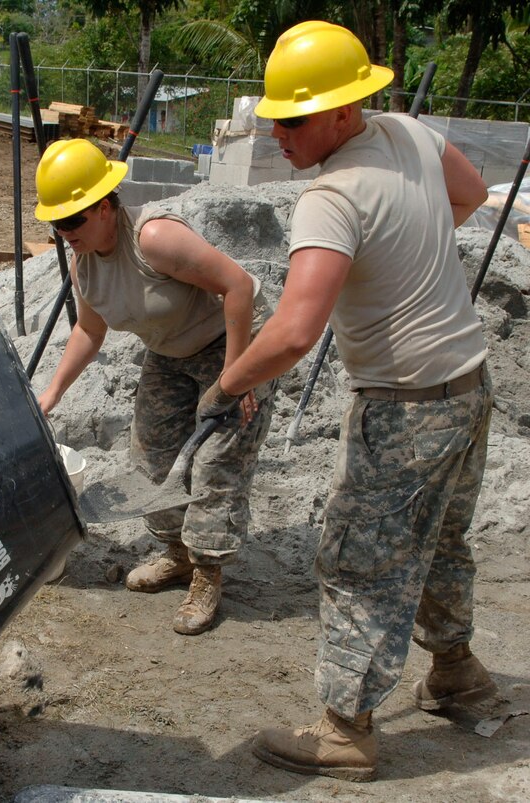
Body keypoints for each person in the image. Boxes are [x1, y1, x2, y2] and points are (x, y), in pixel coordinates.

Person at [197, 20, 497, 781]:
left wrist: (228, 381)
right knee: (441, 538)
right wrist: (402, 254)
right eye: (273, 115)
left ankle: (344, 729)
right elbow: (467, 196)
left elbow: (296, 331)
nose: (277, 131)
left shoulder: (331, 196)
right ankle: (456, 672)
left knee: (358, 564)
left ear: (341, 112)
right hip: (468, 384)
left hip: (401, 408)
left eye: (293, 118)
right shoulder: (409, 134)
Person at [33, 137, 275, 635]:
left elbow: (240, 287)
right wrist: (52, 392)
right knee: (153, 458)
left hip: (229, 345)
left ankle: (208, 573)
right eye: (55, 223)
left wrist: (236, 377)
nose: (63, 232)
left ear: (104, 206)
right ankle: (178, 554)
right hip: (168, 355)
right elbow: (89, 330)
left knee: (216, 465)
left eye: (73, 220)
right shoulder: (84, 264)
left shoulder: (154, 238)